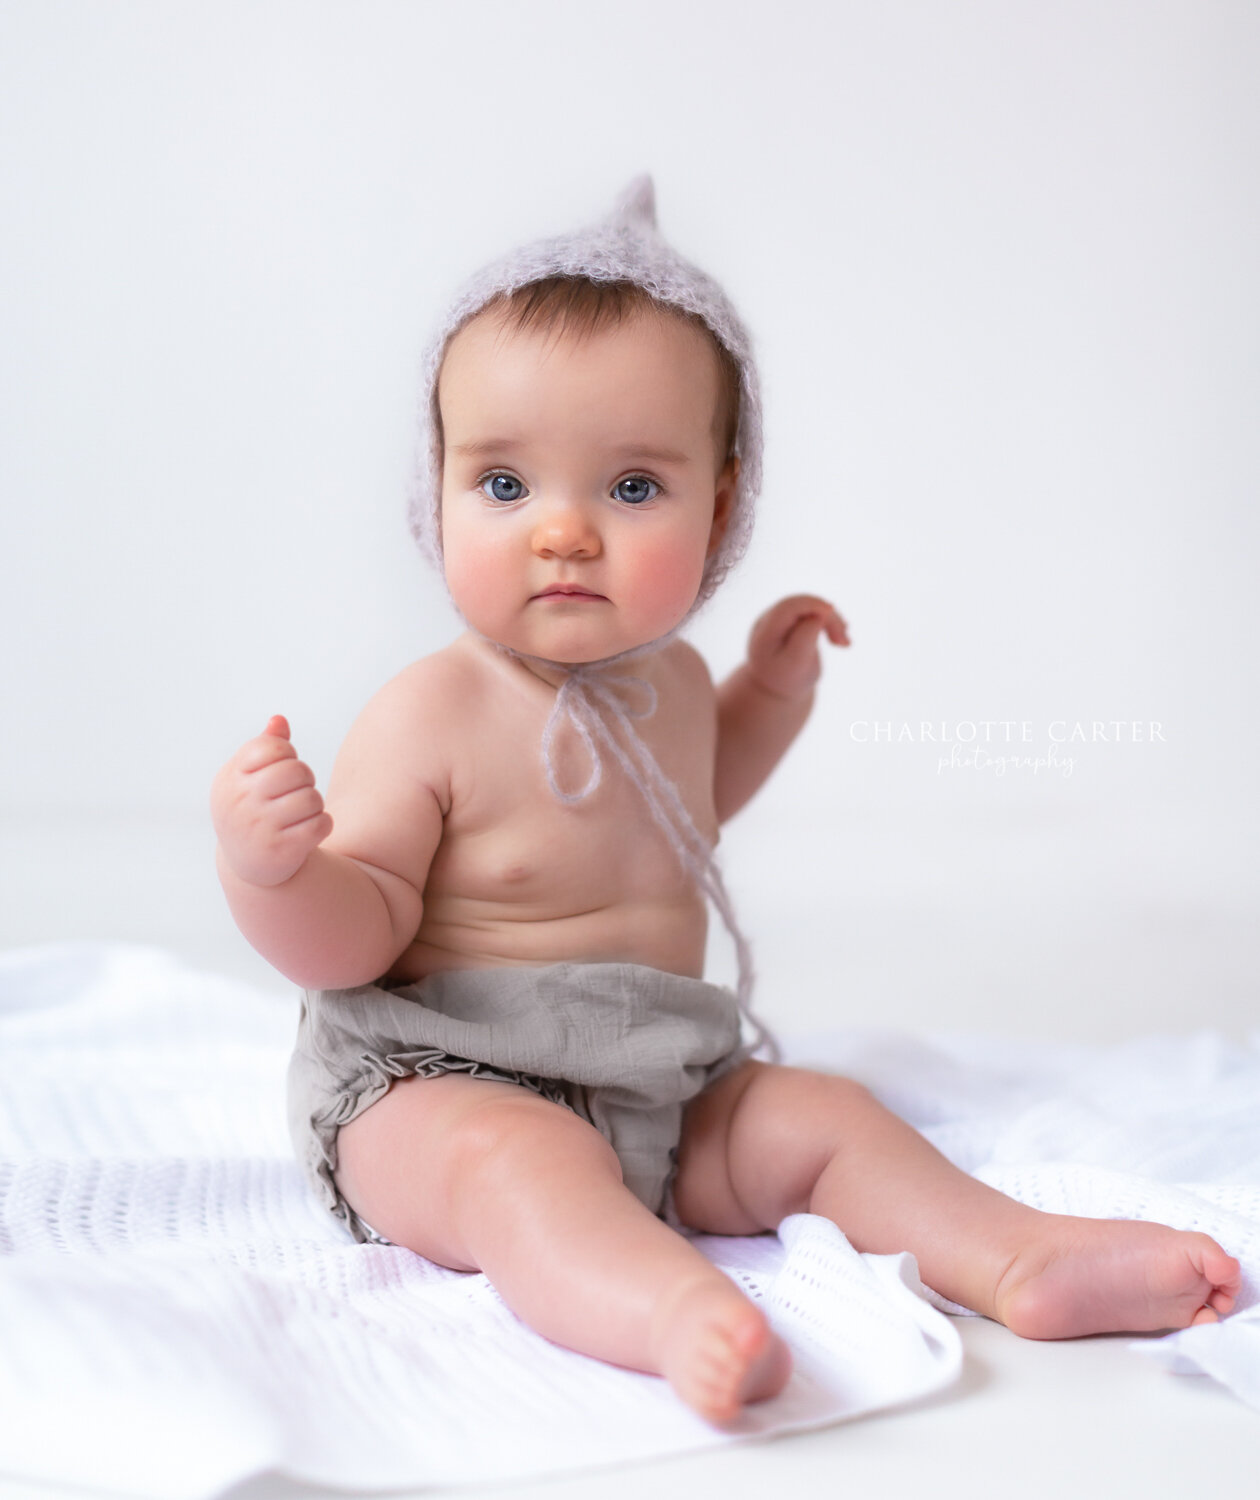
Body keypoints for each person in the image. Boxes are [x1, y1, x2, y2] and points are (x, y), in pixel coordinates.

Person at [211, 178, 1240, 1425]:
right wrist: (277, 876)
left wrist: (768, 693)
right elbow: (354, 936)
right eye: (504, 485)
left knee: (821, 1119)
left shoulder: (676, 685)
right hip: (436, 1085)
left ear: (724, 503)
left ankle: (1016, 1254)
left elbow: (691, 813)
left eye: (632, 488)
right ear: (435, 489)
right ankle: (658, 1305)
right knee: (516, 1165)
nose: (565, 534)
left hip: (660, 1075)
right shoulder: (433, 712)